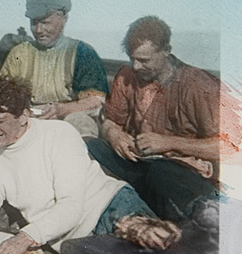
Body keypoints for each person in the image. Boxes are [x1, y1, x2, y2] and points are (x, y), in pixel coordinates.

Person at [0, 79, 181, 254]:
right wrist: (9, 243)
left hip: (113, 210)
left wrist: (26, 237)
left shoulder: (59, 133)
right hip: (77, 245)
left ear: (23, 116)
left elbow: (71, 207)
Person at [86, 16, 231, 221]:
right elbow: (110, 121)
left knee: (160, 173)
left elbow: (228, 146)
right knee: (90, 146)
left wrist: (168, 143)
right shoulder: (126, 76)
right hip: (139, 163)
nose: (136, 67)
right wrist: (114, 134)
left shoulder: (198, 85)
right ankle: (135, 207)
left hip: (179, 173)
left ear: (166, 51)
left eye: (144, 60)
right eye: (132, 59)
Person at [0, 0, 107, 138]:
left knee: (80, 124)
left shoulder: (82, 52)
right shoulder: (20, 53)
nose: (39, 30)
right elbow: (0, 92)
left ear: (63, 19)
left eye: (45, 23)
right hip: (29, 118)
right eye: (34, 23)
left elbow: (95, 100)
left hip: (69, 116)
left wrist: (61, 109)